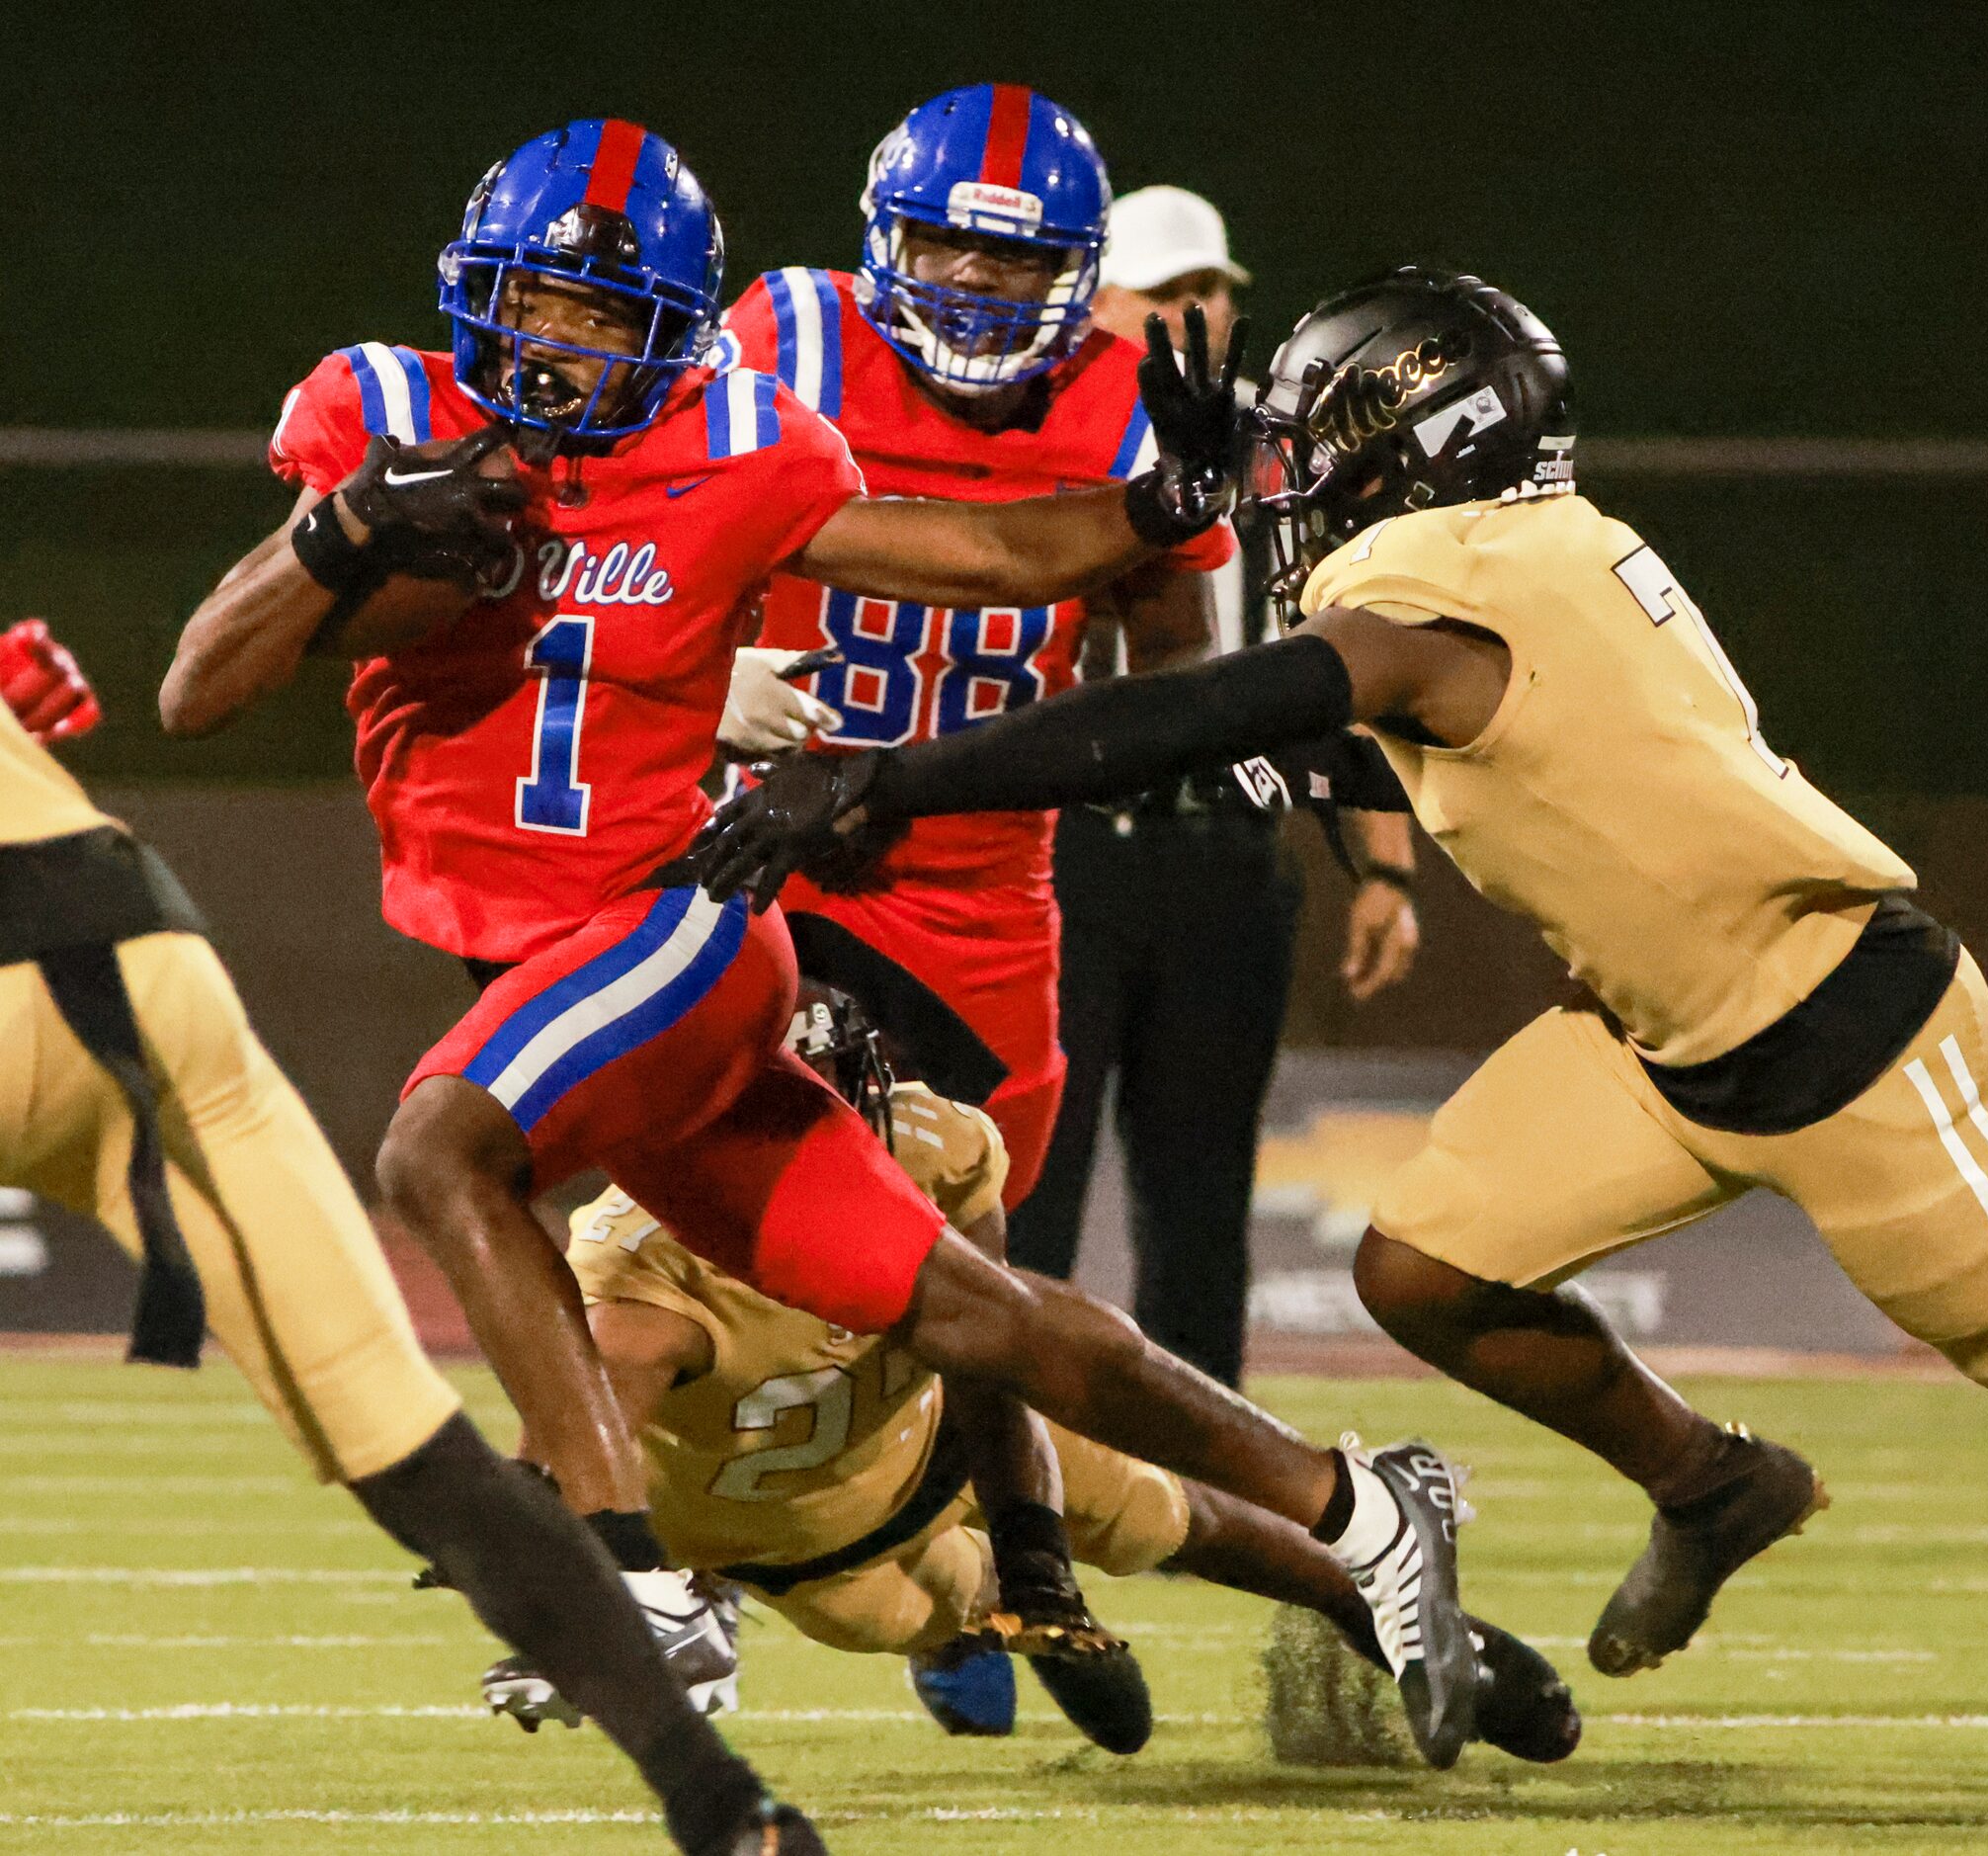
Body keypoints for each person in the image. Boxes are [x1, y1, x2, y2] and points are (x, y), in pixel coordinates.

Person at [689, 269, 1988, 1838]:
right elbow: (1396, 741)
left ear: (1409, 447)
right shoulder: (1514, 554)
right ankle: (1711, 1477)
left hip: (1836, 1016)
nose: (1304, 485)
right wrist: (1208, 511)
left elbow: (1226, 703)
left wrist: (894, 774)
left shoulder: (1442, 590)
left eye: (1323, 449)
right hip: (1651, 1031)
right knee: (1427, 1268)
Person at [161, 125, 1486, 1770]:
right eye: (537, 302)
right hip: (551, 964)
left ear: (665, 322)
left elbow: (993, 555)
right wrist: (342, 529)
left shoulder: (742, 446)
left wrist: (1161, 496)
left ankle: (627, 1574)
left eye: (599, 310)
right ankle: (1358, 1506)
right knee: (971, 1307)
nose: (559, 341)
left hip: (674, 929)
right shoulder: (388, 413)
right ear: (476, 291)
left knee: (441, 1147)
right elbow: (199, 687)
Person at [0, 621, 822, 1856]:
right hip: (135, 957)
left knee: (434, 1461)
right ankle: (726, 1809)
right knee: (430, 1471)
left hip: (78, 971)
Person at [551, 983, 1577, 1762]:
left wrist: (1036, 1541)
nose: (818, 1156)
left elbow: (993, 1354)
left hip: (932, 1428)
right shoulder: (639, 1282)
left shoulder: (936, 1149)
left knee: (1171, 1515)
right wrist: (614, 1597)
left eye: (831, 1121)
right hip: (806, 1543)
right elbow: (573, 1468)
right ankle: (976, 1631)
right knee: (940, 1608)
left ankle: (1401, 1617)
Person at [708, 86, 1232, 1213]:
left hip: (983, 888)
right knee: (738, 1215)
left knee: (977, 1225)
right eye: (944, 240)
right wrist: (706, 682)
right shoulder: (790, 340)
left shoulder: (1127, 411)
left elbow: (1175, 660)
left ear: (1078, 272)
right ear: (884, 236)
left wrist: (1153, 749)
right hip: (767, 850)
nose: (973, 279)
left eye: (1013, 254)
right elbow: (657, 534)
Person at [1006, 184, 1420, 1389]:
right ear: (1100, 301)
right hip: (1061, 849)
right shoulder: (1042, 426)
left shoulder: (1285, 448)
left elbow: (1337, 660)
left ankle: (1213, 1477)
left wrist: (1383, 867)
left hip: (1226, 854)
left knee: (1200, 1196)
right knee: (1030, 1181)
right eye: (1169, 290)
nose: (1201, 310)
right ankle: (1010, 1462)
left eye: (1213, 288)